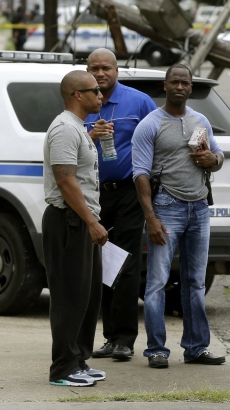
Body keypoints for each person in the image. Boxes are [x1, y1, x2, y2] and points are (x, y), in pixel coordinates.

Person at [132, 64, 226, 369]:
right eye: (175, 82)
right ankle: (156, 349)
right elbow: (140, 174)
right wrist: (151, 218)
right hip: (166, 207)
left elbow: (218, 156)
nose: (181, 87)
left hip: (199, 208)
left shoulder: (201, 121)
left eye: (186, 82)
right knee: (157, 282)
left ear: (190, 87)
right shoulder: (150, 124)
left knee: (195, 283)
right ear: (165, 85)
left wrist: (213, 159)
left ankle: (196, 348)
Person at [85, 49, 158, 362]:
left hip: (129, 193)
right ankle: (109, 336)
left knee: (124, 263)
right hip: (93, 194)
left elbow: (159, 138)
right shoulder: (82, 101)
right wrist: (91, 134)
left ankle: (125, 340)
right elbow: (69, 142)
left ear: (117, 70)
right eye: (94, 68)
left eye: (106, 68)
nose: (100, 73)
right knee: (102, 265)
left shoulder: (139, 102)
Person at [42, 70, 109, 387]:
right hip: (70, 221)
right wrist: (92, 222)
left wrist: (92, 138)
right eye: (95, 90)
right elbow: (65, 180)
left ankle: (78, 360)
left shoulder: (79, 129)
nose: (101, 95)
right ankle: (62, 368)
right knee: (69, 296)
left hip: (81, 220)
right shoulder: (65, 129)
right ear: (77, 95)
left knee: (87, 295)